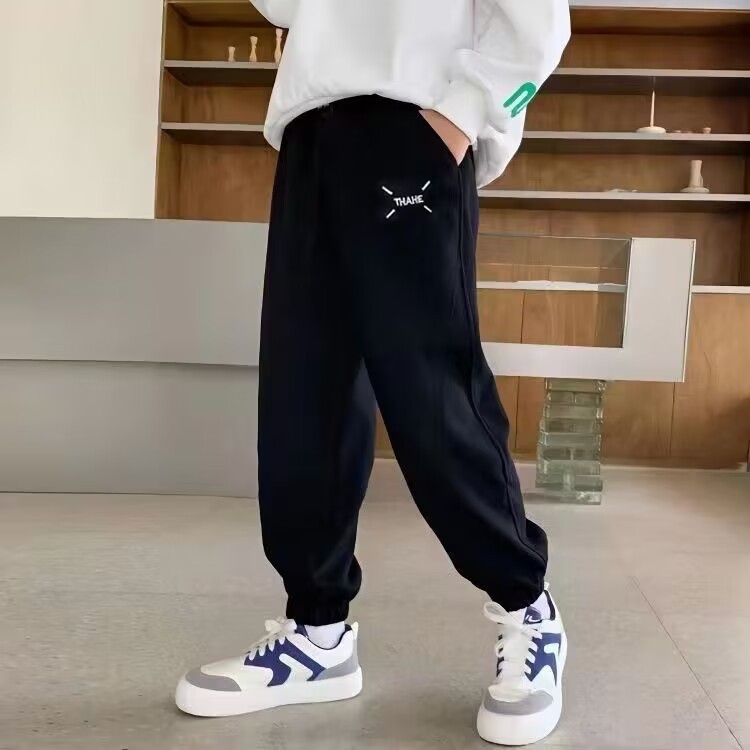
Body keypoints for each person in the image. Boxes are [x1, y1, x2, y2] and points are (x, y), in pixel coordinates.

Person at [175, 0, 571, 744]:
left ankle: (528, 606)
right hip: (310, 131)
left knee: (431, 396)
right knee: (304, 394)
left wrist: (460, 117)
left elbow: (538, 20)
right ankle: (317, 633)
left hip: (415, 126)